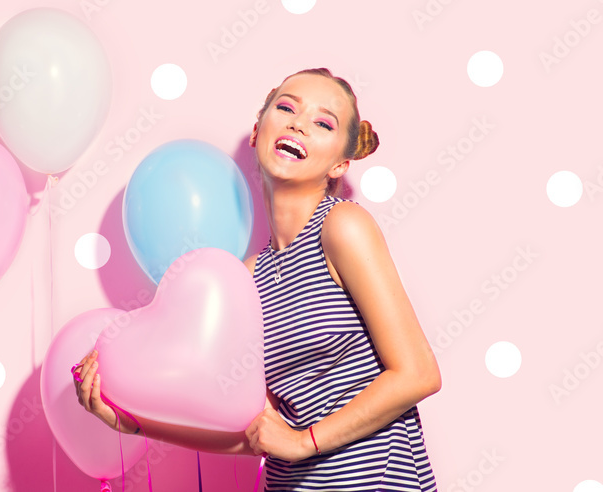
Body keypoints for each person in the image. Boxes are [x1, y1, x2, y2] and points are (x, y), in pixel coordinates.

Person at [73, 67, 441, 491]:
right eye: (286, 107)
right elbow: (256, 432)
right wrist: (133, 424)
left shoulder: (343, 227)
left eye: (323, 123)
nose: (298, 123)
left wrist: (306, 442)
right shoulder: (248, 277)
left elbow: (417, 374)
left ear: (341, 162)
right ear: (256, 131)